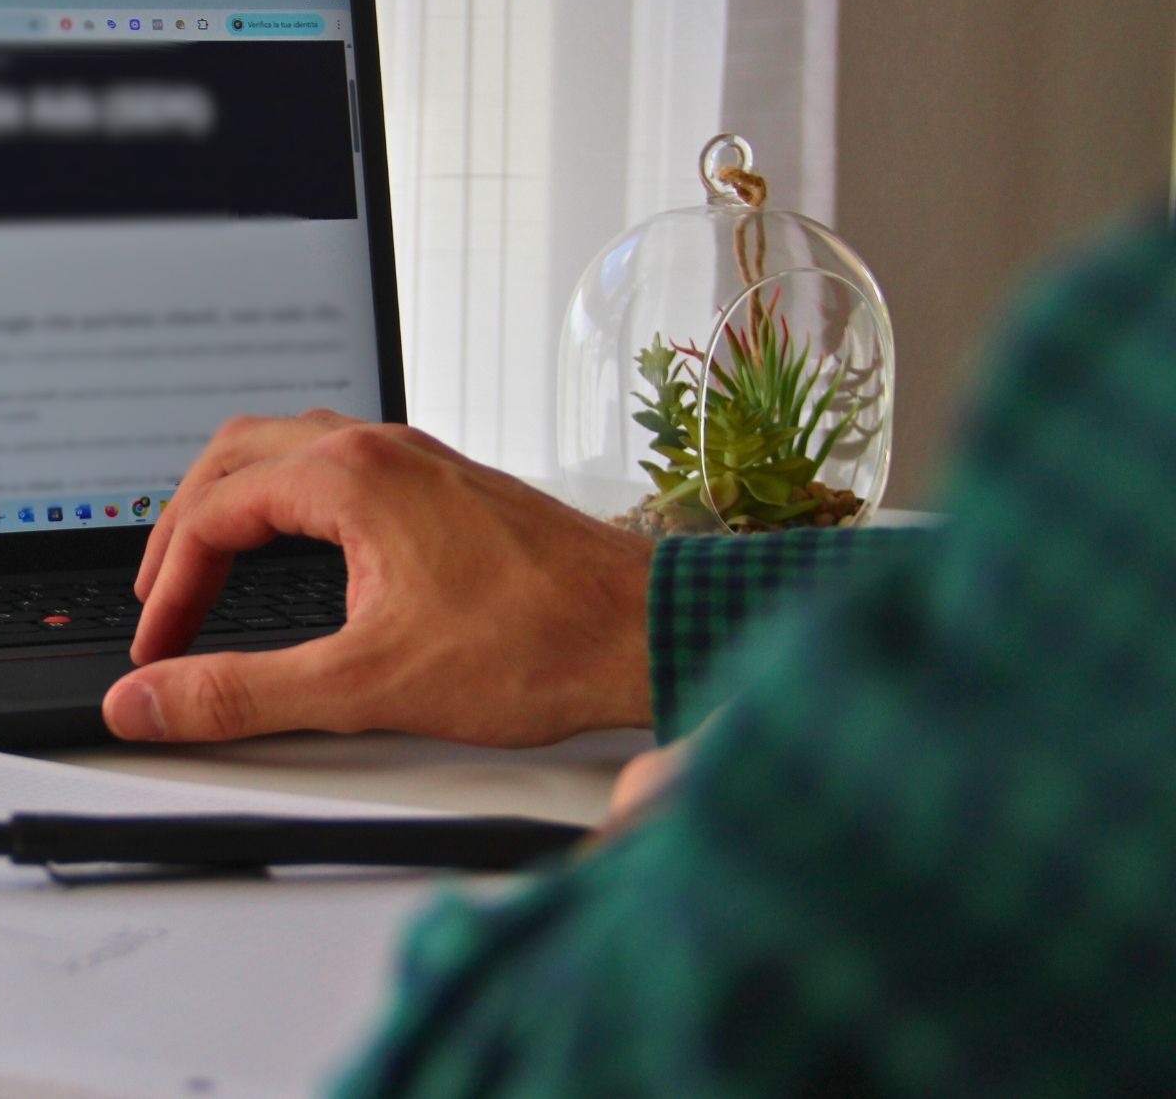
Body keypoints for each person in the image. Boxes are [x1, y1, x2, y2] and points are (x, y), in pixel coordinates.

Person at [104, 213, 1176, 1094]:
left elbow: (521, 1068)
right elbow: (1019, 593)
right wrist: (631, 607)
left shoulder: (1133, 361)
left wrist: (680, 827)